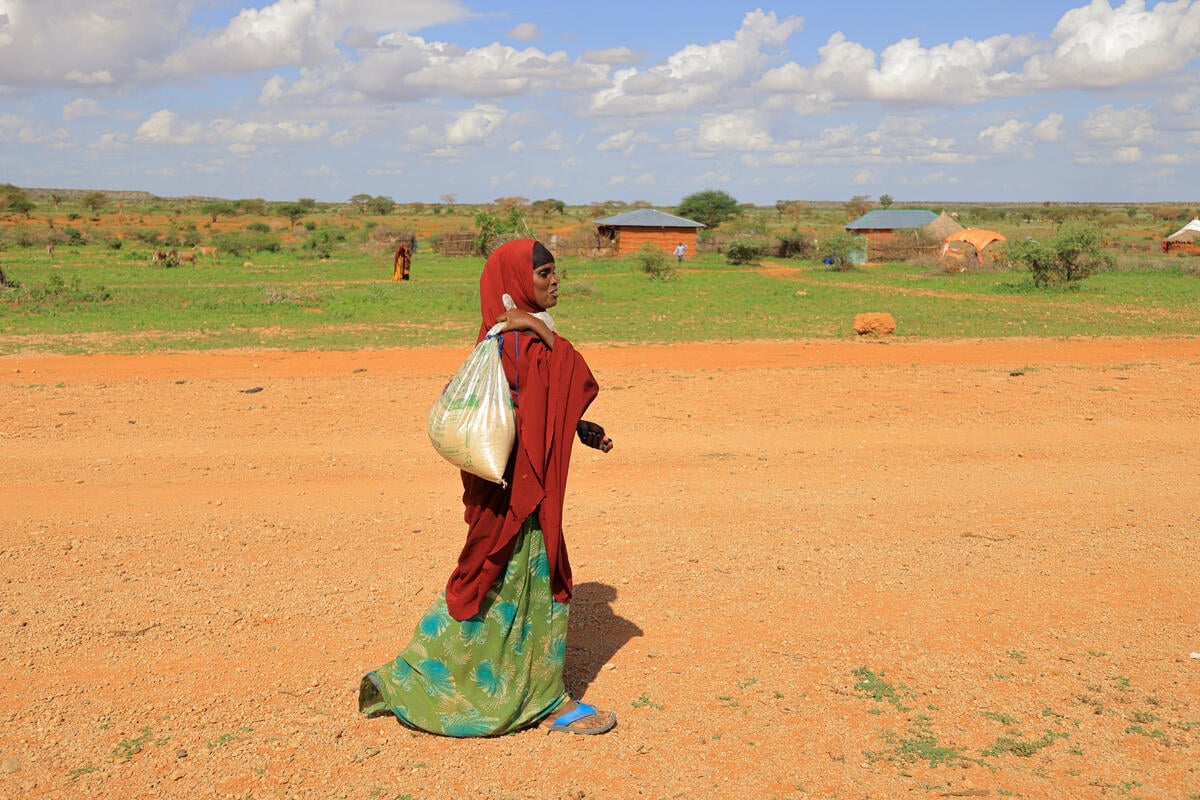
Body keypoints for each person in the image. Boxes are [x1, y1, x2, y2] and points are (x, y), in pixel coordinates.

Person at [360, 239, 618, 737]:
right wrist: (538, 328)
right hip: (523, 495)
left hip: (507, 487)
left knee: (485, 574)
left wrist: (578, 427)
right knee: (528, 582)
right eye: (543, 273)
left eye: (554, 271)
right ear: (519, 283)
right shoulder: (527, 343)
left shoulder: (496, 338)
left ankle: (421, 671)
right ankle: (545, 701)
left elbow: (531, 411)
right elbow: (568, 378)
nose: (554, 280)